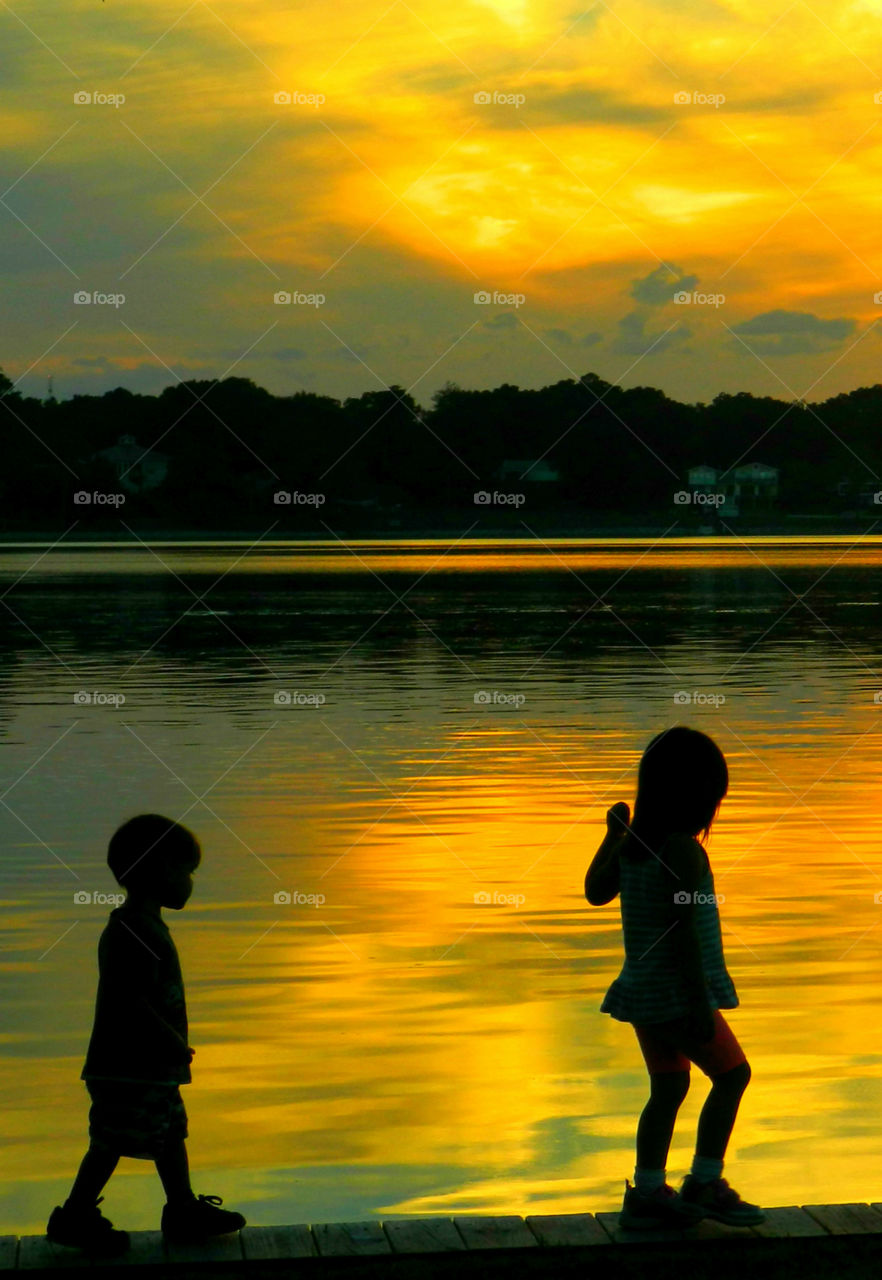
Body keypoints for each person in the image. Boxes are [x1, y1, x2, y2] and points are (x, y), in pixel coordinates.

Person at [585, 726, 763, 1231]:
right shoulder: (683, 851)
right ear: (694, 796)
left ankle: (646, 1193)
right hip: (677, 995)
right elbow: (685, 934)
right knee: (732, 1075)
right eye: (713, 797)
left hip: (642, 992)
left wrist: (613, 834)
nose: (715, 810)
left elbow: (595, 892)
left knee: (668, 1087)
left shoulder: (635, 847)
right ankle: (704, 1181)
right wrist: (700, 1004)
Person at [47, 814, 246, 1256]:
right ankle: (76, 1214)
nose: (190, 882)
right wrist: (170, 1041)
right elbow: (129, 1000)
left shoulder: (145, 925)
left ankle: (182, 1208)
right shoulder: (133, 930)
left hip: (148, 1068)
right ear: (159, 871)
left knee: (169, 1133)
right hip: (127, 1066)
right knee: (111, 1140)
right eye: (186, 871)